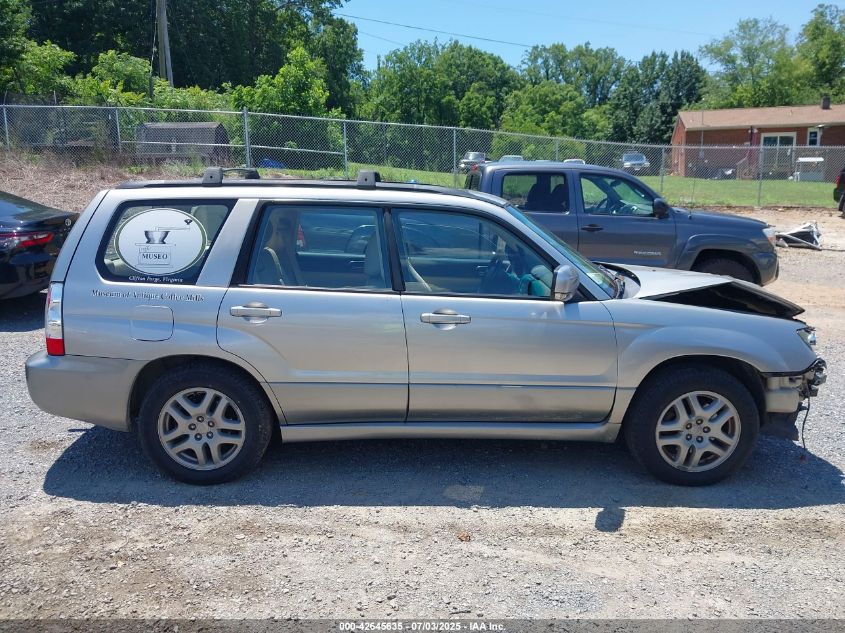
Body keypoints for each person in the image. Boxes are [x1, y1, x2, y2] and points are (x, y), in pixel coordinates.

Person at [252, 213, 304, 286]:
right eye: (279, 229)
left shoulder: (280, 257)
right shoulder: (267, 259)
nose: (282, 235)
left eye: (285, 230)